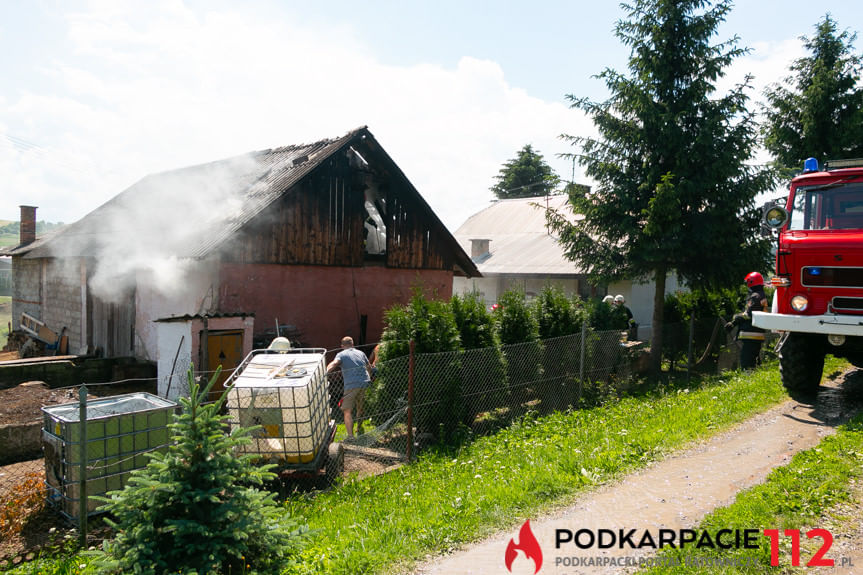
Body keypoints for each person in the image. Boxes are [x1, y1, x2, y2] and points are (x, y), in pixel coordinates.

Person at [326, 336, 372, 439]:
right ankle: (359, 427)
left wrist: (324, 373)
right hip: (365, 382)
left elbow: (334, 363)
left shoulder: (341, 354)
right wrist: (369, 378)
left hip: (352, 385)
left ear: (342, 346)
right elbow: (369, 366)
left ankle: (350, 437)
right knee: (360, 407)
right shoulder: (361, 353)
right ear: (352, 344)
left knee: (347, 411)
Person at [727, 272, 769, 369]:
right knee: (754, 360)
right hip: (757, 333)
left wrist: (734, 322)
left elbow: (748, 315)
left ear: (751, 282)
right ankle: (754, 380)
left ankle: (748, 380)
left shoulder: (755, 296)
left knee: (746, 361)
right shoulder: (761, 295)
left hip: (751, 333)